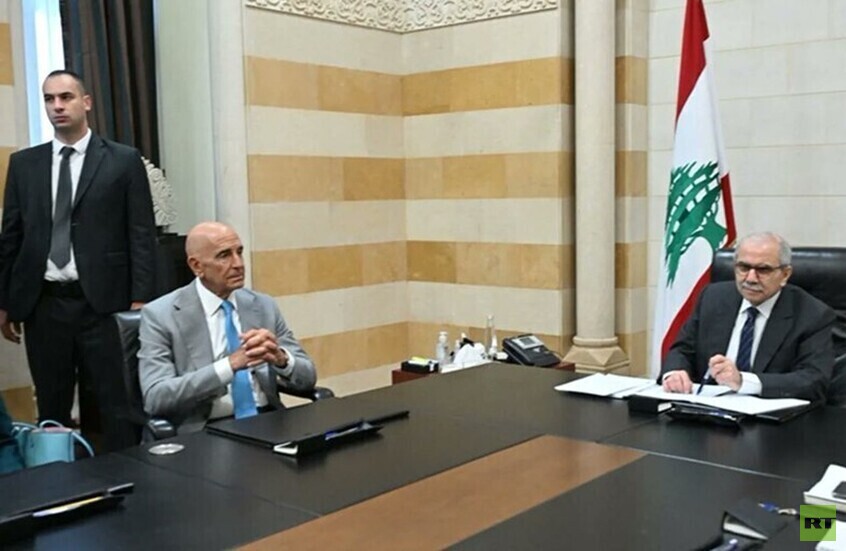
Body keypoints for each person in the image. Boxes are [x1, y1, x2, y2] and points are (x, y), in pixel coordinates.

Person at [0, 70, 157, 451]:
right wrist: (5, 301)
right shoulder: (24, 165)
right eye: (49, 99)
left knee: (116, 404)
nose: (57, 106)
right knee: (51, 406)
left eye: (66, 97)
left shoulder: (122, 160)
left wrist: (141, 300)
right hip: (44, 304)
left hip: (105, 304)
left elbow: (140, 233)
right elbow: (11, 237)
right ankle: (56, 479)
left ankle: (127, 478)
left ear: (86, 102)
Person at [138, 222, 316, 433]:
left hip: (267, 421)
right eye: (224, 256)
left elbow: (308, 378)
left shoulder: (263, 305)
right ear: (196, 266)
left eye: (239, 252)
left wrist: (281, 359)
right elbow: (156, 397)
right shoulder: (160, 315)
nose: (238, 264)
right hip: (206, 429)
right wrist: (228, 366)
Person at [660, 232, 834, 402]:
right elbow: (682, 349)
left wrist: (744, 381)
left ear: (785, 274)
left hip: (770, 416)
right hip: (707, 409)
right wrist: (675, 372)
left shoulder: (813, 314)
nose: (750, 279)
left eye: (763, 270)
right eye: (743, 267)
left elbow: (814, 380)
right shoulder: (712, 297)